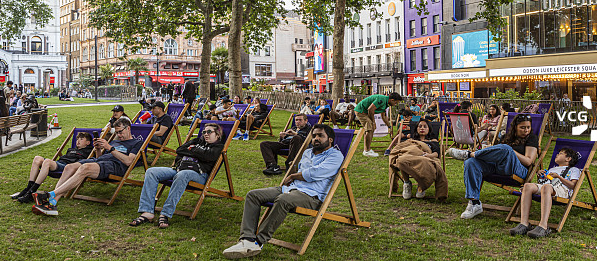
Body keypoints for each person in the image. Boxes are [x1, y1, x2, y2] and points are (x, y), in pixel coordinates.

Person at [222, 124, 343, 259]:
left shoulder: (335, 155)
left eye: (320, 136)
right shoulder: (308, 152)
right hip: (291, 188)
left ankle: (258, 242)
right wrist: (295, 177)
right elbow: (302, 170)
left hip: (312, 196)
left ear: (330, 140)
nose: (316, 138)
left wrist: (293, 175)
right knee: (253, 195)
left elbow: (315, 173)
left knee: (283, 200)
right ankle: (247, 239)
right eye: (314, 135)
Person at [31, 117, 143, 216]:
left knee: (85, 168)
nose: (118, 135)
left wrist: (110, 148)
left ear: (128, 128)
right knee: (69, 167)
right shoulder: (115, 141)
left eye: (120, 132)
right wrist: (98, 149)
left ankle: (51, 195)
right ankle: (53, 202)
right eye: (117, 133)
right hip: (99, 161)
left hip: (115, 166)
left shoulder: (136, 143)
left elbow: (128, 161)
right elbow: (100, 157)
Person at [130, 122, 225, 228]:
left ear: (217, 134)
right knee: (151, 172)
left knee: (182, 175)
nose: (206, 134)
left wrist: (191, 150)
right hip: (179, 169)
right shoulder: (196, 141)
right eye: (204, 132)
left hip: (199, 175)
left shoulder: (218, 147)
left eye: (209, 132)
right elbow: (180, 150)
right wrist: (198, 153)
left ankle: (165, 213)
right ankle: (147, 212)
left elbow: (209, 157)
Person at [446, 113, 539, 219]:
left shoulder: (531, 138)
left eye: (528, 127)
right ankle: (474, 203)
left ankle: (469, 153)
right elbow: (496, 155)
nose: (526, 130)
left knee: (506, 149)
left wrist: (511, 151)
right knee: (471, 163)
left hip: (518, 171)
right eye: (522, 127)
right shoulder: (506, 137)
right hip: (498, 167)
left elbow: (528, 161)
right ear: (515, 128)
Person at [510, 147, 580, 238]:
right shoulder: (552, 169)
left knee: (546, 187)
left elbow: (572, 185)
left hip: (562, 190)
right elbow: (543, 185)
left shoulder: (574, 170)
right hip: (547, 188)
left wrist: (559, 177)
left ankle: (543, 226)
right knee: (527, 186)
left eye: (561, 153)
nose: (557, 155)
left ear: (568, 159)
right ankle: (524, 223)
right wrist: (541, 176)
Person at [10, 132, 94, 203]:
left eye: (81, 139)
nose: (78, 141)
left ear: (88, 142)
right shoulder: (71, 149)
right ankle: (28, 189)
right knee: (37, 158)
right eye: (77, 139)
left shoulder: (88, 151)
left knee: (47, 162)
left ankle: (31, 191)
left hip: (67, 167)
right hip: (59, 163)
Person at [389, 119, 447, 200]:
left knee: (424, 163)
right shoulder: (411, 141)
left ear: (429, 129)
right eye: (420, 126)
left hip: (425, 158)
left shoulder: (433, 141)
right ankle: (407, 183)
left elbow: (436, 154)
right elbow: (403, 149)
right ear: (416, 129)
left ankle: (421, 186)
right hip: (411, 156)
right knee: (401, 160)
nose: (422, 128)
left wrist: (428, 155)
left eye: (425, 127)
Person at [354, 92, 402, 157]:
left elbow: (384, 116)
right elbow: (370, 109)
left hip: (365, 112)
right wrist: (373, 122)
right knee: (370, 128)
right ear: (392, 100)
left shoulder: (386, 103)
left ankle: (367, 149)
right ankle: (366, 150)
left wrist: (389, 127)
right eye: (395, 103)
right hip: (361, 111)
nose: (395, 104)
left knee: (370, 129)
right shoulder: (381, 99)